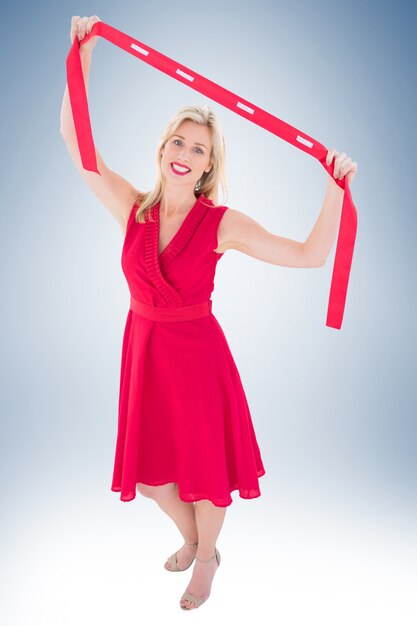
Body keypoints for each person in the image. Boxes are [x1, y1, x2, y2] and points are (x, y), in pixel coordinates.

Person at [60, 15, 358, 612]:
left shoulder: (221, 224)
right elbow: (79, 147)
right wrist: (83, 51)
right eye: (179, 141)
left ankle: (203, 562)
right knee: (148, 476)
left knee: (205, 470)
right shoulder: (133, 209)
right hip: (143, 347)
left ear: (206, 166)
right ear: (163, 148)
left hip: (197, 355)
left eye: (199, 149)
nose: (186, 153)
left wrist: (335, 187)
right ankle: (203, 544)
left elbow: (308, 255)